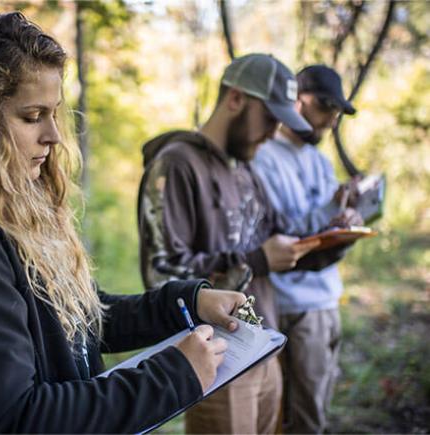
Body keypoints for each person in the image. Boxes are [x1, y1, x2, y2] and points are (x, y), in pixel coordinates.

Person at [0, 12, 250, 433]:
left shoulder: (7, 212)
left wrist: (186, 303)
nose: (54, 135)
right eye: (31, 117)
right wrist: (172, 376)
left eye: (54, 113)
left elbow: (78, 323)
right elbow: (17, 419)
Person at [137, 54, 358, 434]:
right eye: (270, 118)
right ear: (236, 99)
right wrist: (256, 260)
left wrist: (336, 237)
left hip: (266, 349)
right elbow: (163, 276)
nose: (274, 133)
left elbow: (282, 245)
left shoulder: (246, 169)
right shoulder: (176, 164)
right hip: (218, 362)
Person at [253, 64, 362, 434]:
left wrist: (345, 212)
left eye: (338, 112)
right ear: (300, 101)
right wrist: (329, 213)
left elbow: (321, 219)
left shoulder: (319, 159)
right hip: (290, 304)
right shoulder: (263, 156)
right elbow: (278, 228)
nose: (332, 119)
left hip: (327, 298)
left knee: (315, 408)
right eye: (326, 108)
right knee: (295, 417)